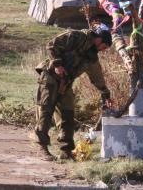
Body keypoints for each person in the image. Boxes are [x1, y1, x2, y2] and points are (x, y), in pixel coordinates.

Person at [34, 27, 113, 160]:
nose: (103, 50)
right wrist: (58, 65)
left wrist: (105, 93)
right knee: (45, 112)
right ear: (99, 39)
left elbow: (97, 76)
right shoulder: (76, 36)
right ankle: (42, 147)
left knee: (67, 114)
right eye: (104, 46)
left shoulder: (92, 56)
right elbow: (52, 45)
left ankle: (66, 151)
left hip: (65, 84)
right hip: (50, 76)